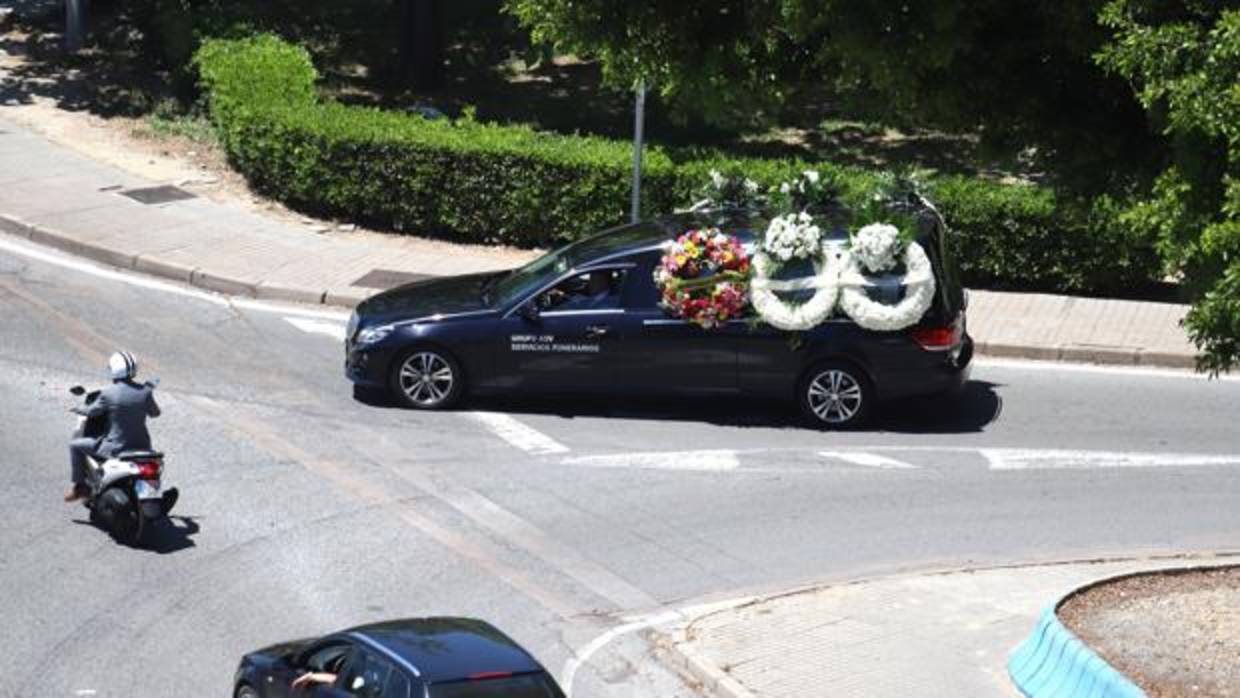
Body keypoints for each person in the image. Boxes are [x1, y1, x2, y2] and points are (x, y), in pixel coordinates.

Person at [66, 351, 161, 502]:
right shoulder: (145, 392)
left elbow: (92, 412)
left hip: (116, 447)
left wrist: (77, 408)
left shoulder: (108, 393)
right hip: (143, 446)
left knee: (75, 446)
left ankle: (80, 487)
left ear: (114, 370)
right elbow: (155, 413)